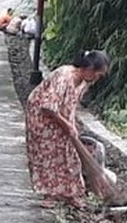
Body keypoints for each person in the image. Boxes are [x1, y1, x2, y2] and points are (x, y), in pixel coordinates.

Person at [24, 50, 110, 209]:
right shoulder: (64, 77)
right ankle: (50, 194)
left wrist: (72, 123)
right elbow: (48, 107)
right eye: (97, 74)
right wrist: (66, 125)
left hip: (59, 114)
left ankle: (70, 193)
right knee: (48, 154)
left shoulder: (83, 82)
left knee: (69, 153)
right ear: (89, 68)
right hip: (41, 116)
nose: (96, 79)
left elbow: (71, 103)